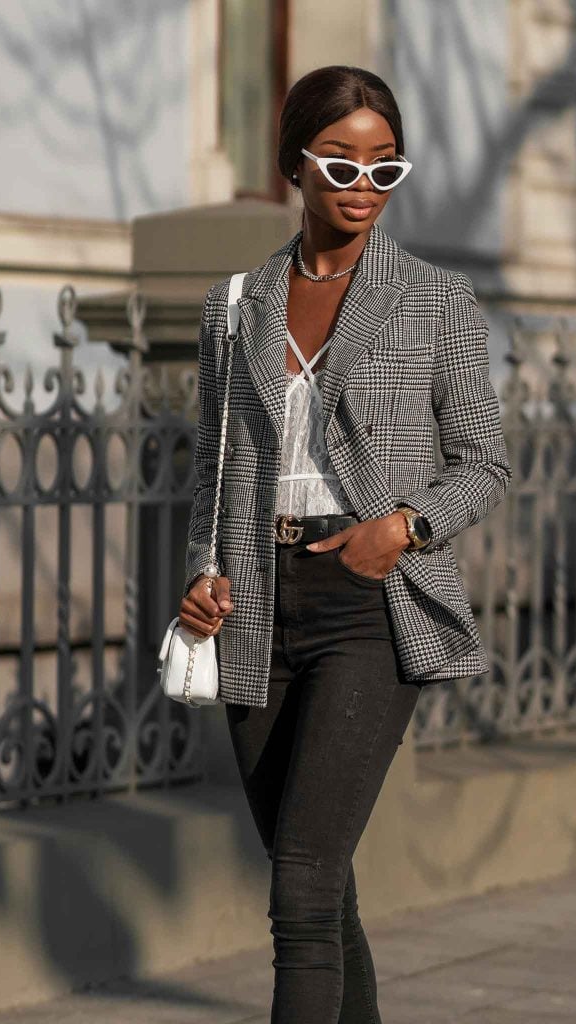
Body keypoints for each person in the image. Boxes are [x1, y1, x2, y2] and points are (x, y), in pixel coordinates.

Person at [178, 64, 511, 1024]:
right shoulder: (233, 305)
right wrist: (202, 575)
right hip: (252, 605)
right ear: (296, 165)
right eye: (341, 163)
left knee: (303, 887)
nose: (362, 186)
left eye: (383, 168)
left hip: (368, 603)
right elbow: (216, 465)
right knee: (317, 878)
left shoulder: (436, 301)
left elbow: (485, 461)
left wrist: (402, 530)